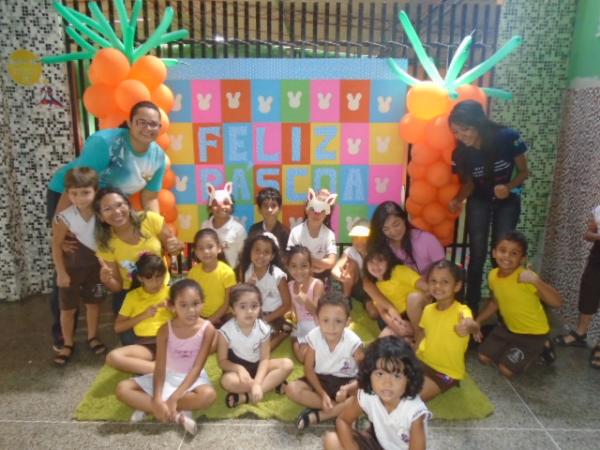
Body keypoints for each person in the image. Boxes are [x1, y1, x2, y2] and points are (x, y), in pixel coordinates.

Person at [46, 100, 168, 350]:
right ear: (131, 123)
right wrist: (65, 225)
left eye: (153, 124)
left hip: (110, 206)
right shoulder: (106, 143)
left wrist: (158, 233)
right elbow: (76, 186)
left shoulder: (158, 157)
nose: (147, 128)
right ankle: (62, 334)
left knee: (102, 262)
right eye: (141, 122)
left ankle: (98, 330)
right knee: (70, 258)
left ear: (160, 127)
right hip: (69, 197)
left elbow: (150, 198)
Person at [448, 100, 530, 314]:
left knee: (502, 256)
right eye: (456, 131)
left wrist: (509, 187)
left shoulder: (507, 138)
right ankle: (471, 309)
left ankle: (502, 309)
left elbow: (524, 172)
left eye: (465, 129)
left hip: (507, 201)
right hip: (479, 200)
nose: (460, 135)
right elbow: (469, 184)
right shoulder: (461, 153)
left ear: (479, 123)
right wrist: (458, 199)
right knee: (477, 254)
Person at [115, 279, 216, 435]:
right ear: (172, 306)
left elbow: (197, 367)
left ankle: (154, 408)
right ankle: (175, 414)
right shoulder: (164, 330)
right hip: (169, 375)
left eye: (196, 303)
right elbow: (160, 367)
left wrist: (175, 397)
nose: (191, 310)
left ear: (203, 303)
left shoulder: (208, 329)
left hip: (193, 379)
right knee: (122, 388)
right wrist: (156, 398)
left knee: (208, 396)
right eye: (183, 305)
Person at [94, 187, 183, 341]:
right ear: (101, 217)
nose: (116, 212)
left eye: (119, 205)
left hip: (162, 283)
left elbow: (173, 247)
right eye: (107, 209)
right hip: (130, 291)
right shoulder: (106, 243)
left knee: (178, 329)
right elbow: (117, 286)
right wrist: (107, 280)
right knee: (130, 340)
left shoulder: (150, 219)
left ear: (128, 206)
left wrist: (175, 247)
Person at [476, 231, 563, 377]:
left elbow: (557, 302)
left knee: (506, 371)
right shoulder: (493, 275)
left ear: (522, 259)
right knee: (483, 358)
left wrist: (536, 281)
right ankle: (514, 347)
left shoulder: (526, 278)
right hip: (509, 328)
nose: (507, 257)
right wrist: (478, 321)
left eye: (514, 253)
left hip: (533, 334)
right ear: (494, 253)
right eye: (503, 251)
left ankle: (542, 347)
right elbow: (494, 302)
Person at [323, 336, 430, 450]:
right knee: (331, 440)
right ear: (369, 374)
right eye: (380, 374)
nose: (387, 383)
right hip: (376, 442)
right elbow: (343, 421)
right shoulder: (369, 394)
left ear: (408, 378)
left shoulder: (414, 412)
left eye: (396, 376)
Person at [285, 291, 364, 432]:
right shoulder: (314, 336)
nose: (331, 327)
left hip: (347, 382)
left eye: (338, 321)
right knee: (291, 389)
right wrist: (322, 394)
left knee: (366, 393)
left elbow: (366, 375)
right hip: (321, 379)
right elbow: (308, 369)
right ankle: (338, 409)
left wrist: (347, 389)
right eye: (325, 320)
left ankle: (320, 415)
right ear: (318, 319)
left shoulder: (354, 343)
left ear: (347, 321)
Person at [51, 167, 106, 366]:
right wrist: (61, 272)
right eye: (74, 193)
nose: (79, 198)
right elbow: (56, 245)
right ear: (68, 193)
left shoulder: (102, 214)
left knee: (93, 304)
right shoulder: (63, 217)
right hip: (71, 270)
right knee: (67, 309)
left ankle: (93, 336)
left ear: (96, 191)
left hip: (95, 269)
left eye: (85, 192)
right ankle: (67, 343)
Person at [216, 284, 294, 408]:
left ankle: (247, 397)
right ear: (232, 309)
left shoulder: (263, 329)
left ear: (260, 307)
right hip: (237, 372)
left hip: (259, 366)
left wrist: (257, 383)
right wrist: (239, 369)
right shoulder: (225, 332)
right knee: (226, 381)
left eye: (254, 306)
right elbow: (222, 361)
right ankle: (271, 384)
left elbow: (264, 359)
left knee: (287, 364)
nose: (249, 311)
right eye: (242, 306)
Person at [417, 260, 480, 401]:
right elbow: (425, 336)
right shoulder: (427, 309)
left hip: (446, 372)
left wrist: (470, 326)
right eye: (433, 281)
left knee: (413, 398)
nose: (437, 286)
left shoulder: (462, 311)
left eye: (445, 282)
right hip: (423, 361)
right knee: (391, 382)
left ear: (457, 286)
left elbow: (472, 325)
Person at [106, 254, 173, 374]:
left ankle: (154, 369)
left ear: (164, 275)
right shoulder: (132, 296)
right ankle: (160, 369)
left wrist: (175, 309)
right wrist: (144, 315)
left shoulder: (172, 292)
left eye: (159, 277)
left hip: (171, 341)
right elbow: (118, 327)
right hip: (146, 345)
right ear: (140, 278)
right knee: (112, 357)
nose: (155, 282)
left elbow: (191, 319)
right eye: (149, 278)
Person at [553, 205, 600, 369]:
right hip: (597, 258)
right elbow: (588, 234)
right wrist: (597, 236)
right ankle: (580, 333)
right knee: (589, 293)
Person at [238, 232, 292, 349]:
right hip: (253, 314)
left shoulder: (278, 276)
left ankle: (283, 333)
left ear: (272, 256)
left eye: (266, 252)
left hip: (274, 316)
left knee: (262, 346)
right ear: (250, 252)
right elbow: (241, 298)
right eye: (257, 250)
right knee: (239, 337)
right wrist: (248, 287)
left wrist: (266, 319)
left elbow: (287, 304)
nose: (261, 256)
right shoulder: (246, 270)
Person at [363, 246, 427, 341]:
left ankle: (419, 336)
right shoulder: (374, 285)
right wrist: (397, 326)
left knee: (413, 298)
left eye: (380, 261)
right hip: (400, 319)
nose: (375, 266)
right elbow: (382, 310)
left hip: (419, 313)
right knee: (382, 341)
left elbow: (426, 287)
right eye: (371, 262)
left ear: (388, 261)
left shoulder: (399, 271)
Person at [187, 229, 237, 328]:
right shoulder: (193, 272)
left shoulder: (227, 272)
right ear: (196, 251)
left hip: (223, 316)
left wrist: (209, 321)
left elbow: (227, 303)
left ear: (219, 248)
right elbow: (191, 299)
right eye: (201, 248)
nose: (206, 251)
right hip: (199, 316)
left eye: (210, 247)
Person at [287, 188, 338, 284]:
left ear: (327, 213)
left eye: (321, 210)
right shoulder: (296, 232)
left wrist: (306, 260)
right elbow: (290, 258)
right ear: (307, 210)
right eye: (313, 209)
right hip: (299, 276)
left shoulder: (329, 234)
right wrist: (318, 263)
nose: (316, 214)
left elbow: (331, 262)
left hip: (321, 278)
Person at [287, 245, 325, 363]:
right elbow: (292, 309)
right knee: (304, 357)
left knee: (313, 357)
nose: (298, 271)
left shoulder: (317, 284)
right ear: (288, 268)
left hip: (316, 325)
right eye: (294, 266)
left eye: (303, 266)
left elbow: (316, 311)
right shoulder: (290, 285)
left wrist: (304, 298)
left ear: (311, 267)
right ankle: (296, 340)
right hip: (300, 328)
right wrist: (290, 318)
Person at [331, 219, 376, 317]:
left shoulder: (375, 252)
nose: (359, 241)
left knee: (373, 313)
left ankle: (367, 303)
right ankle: (346, 300)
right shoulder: (350, 251)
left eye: (363, 238)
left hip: (371, 289)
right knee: (351, 264)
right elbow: (336, 267)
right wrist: (340, 275)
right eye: (356, 238)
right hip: (355, 287)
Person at [200, 182, 247, 268]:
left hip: (231, 273)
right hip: (209, 272)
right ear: (210, 208)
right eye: (216, 204)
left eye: (225, 203)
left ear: (231, 206)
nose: (221, 207)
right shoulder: (205, 226)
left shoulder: (238, 229)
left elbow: (243, 256)